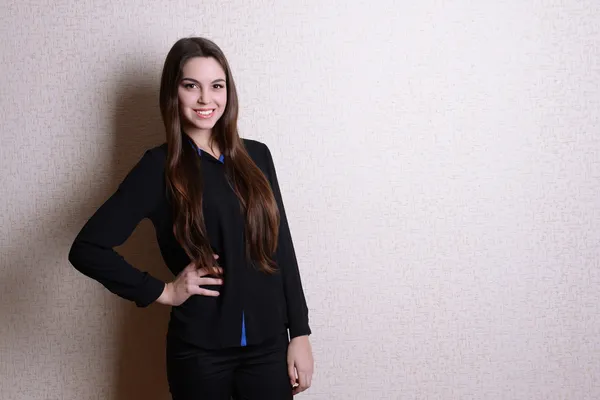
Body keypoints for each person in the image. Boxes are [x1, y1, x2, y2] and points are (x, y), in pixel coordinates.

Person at [68, 37, 314, 400]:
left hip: (269, 346)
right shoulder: (157, 168)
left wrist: (301, 334)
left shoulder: (257, 156)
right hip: (200, 354)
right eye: (191, 86)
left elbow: (282, 249)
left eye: (217, 86)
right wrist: (164, 291)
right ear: (173, 93)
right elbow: (87, 248)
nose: (205, 99)